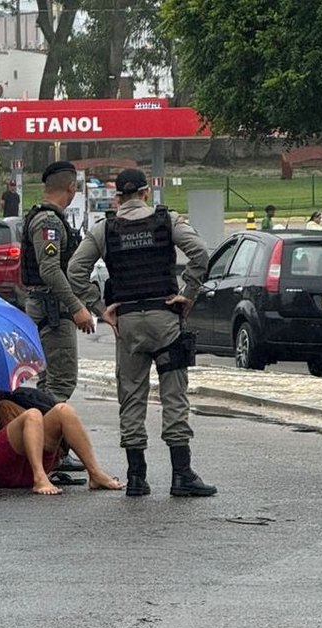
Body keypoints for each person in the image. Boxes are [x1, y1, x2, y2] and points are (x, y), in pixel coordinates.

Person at [67, 168, 217, 498]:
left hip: (129, 320)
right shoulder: (168, 221)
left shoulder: (105, 228)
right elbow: (201, 254)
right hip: (166, 316)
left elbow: (75, 270)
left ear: (118, 198)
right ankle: (181, 475)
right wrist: (188, 294)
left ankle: (137, 477)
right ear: (147, 194)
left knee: (131, 396)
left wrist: (98, 307)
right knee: (174, 395)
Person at [20, 161, 96, 404]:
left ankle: (42, 437)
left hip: (46, 307)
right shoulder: (49, 222)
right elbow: (50, 269)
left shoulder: (45, 218)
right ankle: (41, 434)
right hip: (52, 311)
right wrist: (77, 307)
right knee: (61, 382)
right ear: (71, 187)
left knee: (47, 384)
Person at [0, 403, 124, 495]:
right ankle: (40, 478)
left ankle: (95, 473)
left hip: (14, 464)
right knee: (32, 415)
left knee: (64, 411)